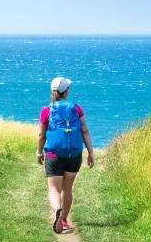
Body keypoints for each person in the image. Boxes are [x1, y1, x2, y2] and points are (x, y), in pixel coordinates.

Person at [36, 77, 94, 234]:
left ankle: (57, 210)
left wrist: (39, 152)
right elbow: (84, 131)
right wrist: (90, 152)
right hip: (74, 155)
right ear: (66, 91)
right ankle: (64, 220)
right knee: (67, 188)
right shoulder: (76, 109)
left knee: (54, 188)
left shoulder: (46, 111)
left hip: (54, 155)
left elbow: (42, 135)